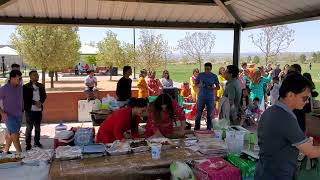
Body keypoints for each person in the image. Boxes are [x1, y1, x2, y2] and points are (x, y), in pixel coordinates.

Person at [255, 73, 320, 180]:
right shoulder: (285, 118)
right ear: (290, 95)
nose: (307, 101)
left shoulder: (271, 111)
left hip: (264, 171)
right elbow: (311, 152)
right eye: (304, 98)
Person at [0, 70, 23, 153]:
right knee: (16, 136)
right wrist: (1, 112)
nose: (20, 80)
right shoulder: (3, 89)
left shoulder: (20, 87)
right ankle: (20, 155)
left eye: (20, 78)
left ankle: (5, 151)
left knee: (11, 135)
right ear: (12, 78)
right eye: (18, 78)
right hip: (9, 116)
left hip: (19, 115)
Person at [23, 70, 47, 151]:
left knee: (37, 127)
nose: (36, 76)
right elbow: (25, 98)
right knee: (29, 128)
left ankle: (37, 142)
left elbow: (44, 96)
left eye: (37, 75)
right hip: (29, 110)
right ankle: (28, 144)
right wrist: (34, 102)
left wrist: (41, 102)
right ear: (30, 76)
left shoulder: (41, 86)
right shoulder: (25, 87)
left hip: (38, 110)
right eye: (34, 75)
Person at [194, 62, 220, 130]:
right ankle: (196, 129)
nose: (206, 70)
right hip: (201, 97)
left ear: (211, 69)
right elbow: (195, 84)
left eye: (208, 69)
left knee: (209, 115)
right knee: (198, 113)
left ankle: (209, 129)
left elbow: (218, 87)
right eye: (205, 69)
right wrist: (200, 85)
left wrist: (212, 88)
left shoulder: (214, 76)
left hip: (210, 97)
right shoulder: (200, 75)